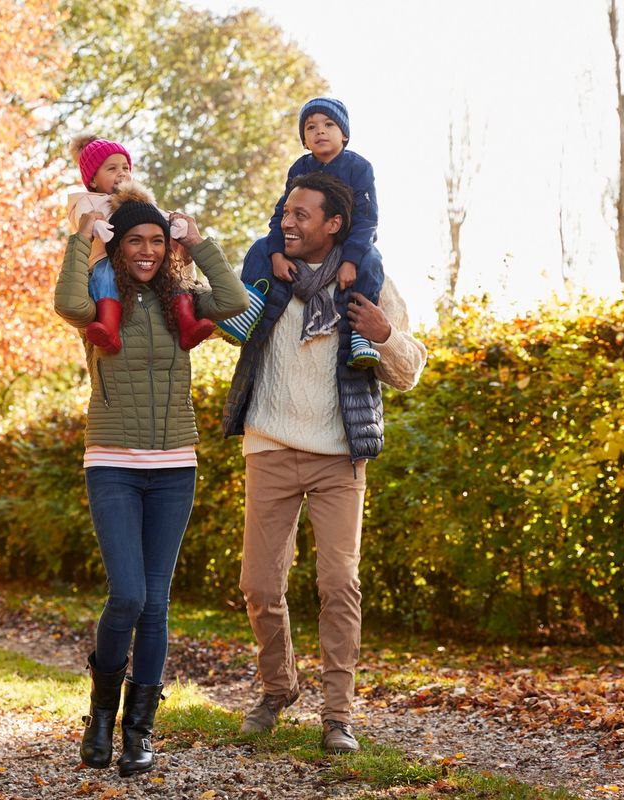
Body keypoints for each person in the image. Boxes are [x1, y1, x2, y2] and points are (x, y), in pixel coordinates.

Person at [220, 172, 427, 754]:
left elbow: (409, 370)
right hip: (270, 445)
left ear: (334, 224)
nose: (288, 222)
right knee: (259, 584)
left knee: (339, 584)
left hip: (340, 456)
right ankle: (277, 687)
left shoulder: (368, 282)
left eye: (301, 214)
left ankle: (338, 716)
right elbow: (217, 314)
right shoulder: (267, 274)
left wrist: (385, 335)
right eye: (286, 212)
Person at [54, 182, 249, 776]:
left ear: (168, 248)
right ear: (119, 248)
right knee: (129, 595)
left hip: (173, 468)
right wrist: (81, 238)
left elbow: (237, 298)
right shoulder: (100, 295)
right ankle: (101, 717)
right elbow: (66, 304)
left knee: (156, 605)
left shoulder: (181, 299)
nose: (146, 250)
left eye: (157, 242)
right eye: (135, 240)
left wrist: (198, 240)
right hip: (112, 463)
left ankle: (139, 733)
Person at [225, 97, 384, 369]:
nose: (319, 131)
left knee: (372, 260)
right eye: (310, 127)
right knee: (260, 248)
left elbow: (366, 219)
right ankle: (249, 307)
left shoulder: (358, 168)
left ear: (344, 134)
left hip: (350, 243)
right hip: (306, 244)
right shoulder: (300, 169)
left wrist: (349, 260)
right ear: (304, 140)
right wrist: (276, 253)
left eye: (328, 124)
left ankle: (360, 335)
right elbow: (282, 214)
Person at [66, 135, 217, 353]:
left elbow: (158, 215)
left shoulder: (136, 199)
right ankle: (108, 328)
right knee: (105, 275)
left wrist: (177, 224)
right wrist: (96, 226)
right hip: (104, 260)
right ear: (92, 180)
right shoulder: (86, 200)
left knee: (170, 275)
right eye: (111, 169)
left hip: (139, 263)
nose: (122, 173)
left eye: (125, 167)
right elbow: (83, 217)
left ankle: (187, 324)